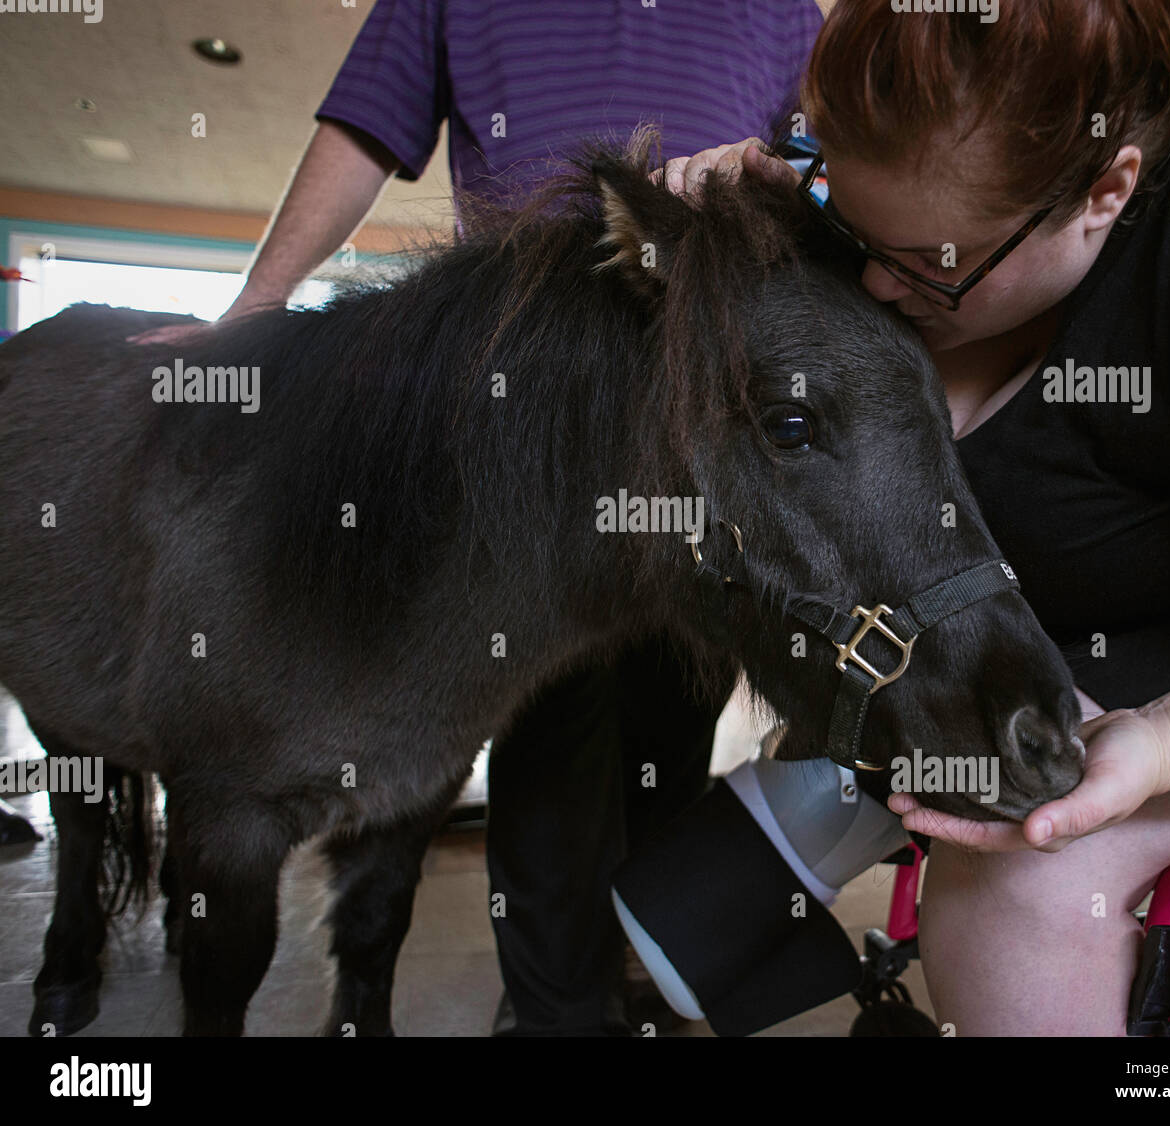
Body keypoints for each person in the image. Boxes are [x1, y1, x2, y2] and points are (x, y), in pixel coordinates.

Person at [132, 0, 826, 1036]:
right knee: (550, 749)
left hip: (697, 429)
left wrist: (791, 173)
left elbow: (827, 166)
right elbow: (364, 131)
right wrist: (254, 314)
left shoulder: (782, 13)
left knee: (672, 736)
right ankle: (554, 1012)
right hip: (523, 437)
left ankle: (641, 980)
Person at [647, 0, 1170, 1035]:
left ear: (1106, 190)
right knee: (678, 919)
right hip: (1033, 617)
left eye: (925, 265)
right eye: (855, 225)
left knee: (1018, 895)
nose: (871, 281)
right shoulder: (884, 163)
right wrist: (747, 230)